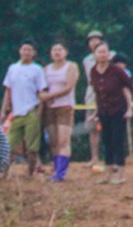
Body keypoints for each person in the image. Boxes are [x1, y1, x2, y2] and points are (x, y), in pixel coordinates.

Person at [1, 39, 48, 178]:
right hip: (17, 113)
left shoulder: (37, 70)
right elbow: (8, 91)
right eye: (24, 49)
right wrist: (4, 110)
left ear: (33, 53)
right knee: (10, 145)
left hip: (31, 110)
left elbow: (42, 92)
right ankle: (4, 174)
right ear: (20, 51)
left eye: (29, 50)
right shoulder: (12, 68)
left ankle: (30, 172)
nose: (26, 52)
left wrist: (39, 112)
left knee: (32, 147)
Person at [88, 43, 133, 184]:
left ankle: (120, 174)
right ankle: (107, 173)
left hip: (118, 109)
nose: (102, 55)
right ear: (95, 54)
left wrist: (129, 108)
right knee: (106, 141)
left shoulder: (117, 71)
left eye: (105, 52)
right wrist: (95, 112)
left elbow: (127, 88)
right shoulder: (93, 71)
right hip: (103, 110)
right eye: (99, 52)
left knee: (117, 140)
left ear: (109, 54)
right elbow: (98, 93)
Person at [39, 42, 79, 181]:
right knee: (53, 141)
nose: (57, 52)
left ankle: (61, 173)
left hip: (65, 106)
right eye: (54, 49)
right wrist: (44, 97)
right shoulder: (46, 69)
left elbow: (69, 87)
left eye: (60, 49)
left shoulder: (71, 66)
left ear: (65, 52)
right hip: (50, 108)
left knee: (63, 140)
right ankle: (56, 168)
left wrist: (50, 96)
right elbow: (42, 87)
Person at [82, 31, 115, 172]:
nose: (94, 43)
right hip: (92, 92)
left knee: (111, 125)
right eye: (91, 41)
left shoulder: (112, 55)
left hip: (110, 91)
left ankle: (112, 158)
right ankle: (94, 157)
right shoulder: (87, 60)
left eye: (97, 40)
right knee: (92, 126)